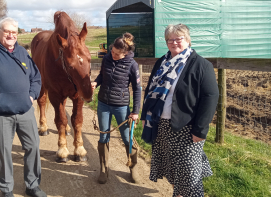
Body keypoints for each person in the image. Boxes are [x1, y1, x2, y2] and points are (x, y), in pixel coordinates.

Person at [0, 17, 47, 197]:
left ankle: (32, 185)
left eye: (14, 32)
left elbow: (36, 78)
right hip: (0, 113)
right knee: (4, 151)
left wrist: (31, 97)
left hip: (25, 111)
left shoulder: (21, 52)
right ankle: (6, 190)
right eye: (7, 32)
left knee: (33, 146)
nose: (11, 35)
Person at [141, 24, 219, 197]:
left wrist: (200, 130)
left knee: (190, 173)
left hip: (186, 127)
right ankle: (178, 193)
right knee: (173, 167)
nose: (174, 42)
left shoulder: (201, 64)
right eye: (170, 39)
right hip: (162, 124)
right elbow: (150, 90)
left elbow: (211, 96)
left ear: (187, 40)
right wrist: (144, 116)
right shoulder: (162, 62)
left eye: (178, 38)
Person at [91, 32, 141, 184]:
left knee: (127, 137)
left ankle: (133, 167)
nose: (113, 55)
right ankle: (104, 169)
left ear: (126, 53)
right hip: (103, 104)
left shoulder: (132, 65)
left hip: (121, 106)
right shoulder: (106, 58)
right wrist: (95, 82)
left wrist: (135, 112)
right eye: (112, 51)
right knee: (103, 136)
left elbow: (137, 89)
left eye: (117, 54)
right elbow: (102, 75)